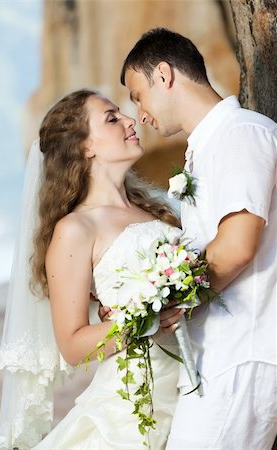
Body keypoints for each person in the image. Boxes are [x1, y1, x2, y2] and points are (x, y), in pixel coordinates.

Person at [0, 89, 184, 450]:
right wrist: (144, 321)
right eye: (112, 118)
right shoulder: (75, 230)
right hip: (134, 404)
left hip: (193, 378)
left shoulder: (158, 209)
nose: (130, 120)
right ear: (85, 147)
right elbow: (72, 344)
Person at [116, 27, 277, 450]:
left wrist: (172, 300)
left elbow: (238, 244)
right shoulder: (210, 146)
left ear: (164, 75)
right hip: (220, 356)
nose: (140, 114)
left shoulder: (242, 133)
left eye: (138, 95)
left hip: (243, 349)